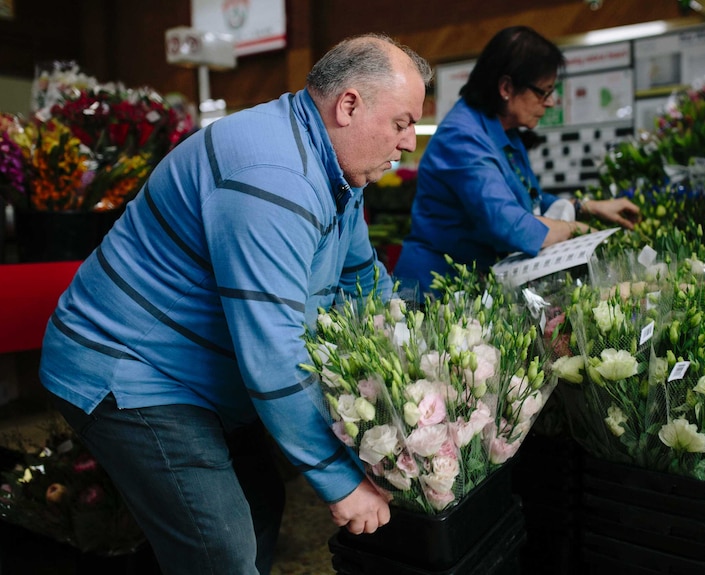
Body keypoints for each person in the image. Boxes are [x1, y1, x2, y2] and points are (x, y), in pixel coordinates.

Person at [38, 34, 432, 575]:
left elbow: (362, 277)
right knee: (218, 547)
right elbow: (273, 352)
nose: (409, 142)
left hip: (196, 370)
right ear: (349, 105)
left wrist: (417, 366)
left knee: (257, 507)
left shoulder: (336, 170)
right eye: (403, 122)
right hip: (129, 370)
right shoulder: (274, 176)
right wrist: (342, 482)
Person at [394, 26, 640, 294]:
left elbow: (527, 199)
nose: (549, 103)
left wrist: (586, 207)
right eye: (543, 92)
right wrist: (577, 230)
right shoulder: (461, 137)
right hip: (435, 287)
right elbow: (509, 224)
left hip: (475, 283)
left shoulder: (505, 131)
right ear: (506, 87)